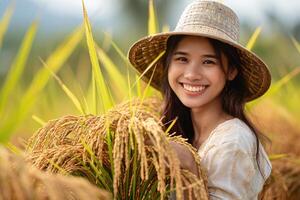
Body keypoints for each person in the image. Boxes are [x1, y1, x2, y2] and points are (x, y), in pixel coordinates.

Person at [128, 0, 272, 199]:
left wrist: (188, 164)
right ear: (168, 65)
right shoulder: (178, 130)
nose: (192, 74)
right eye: (182, 59)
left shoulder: (233, 141)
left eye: (208, 61)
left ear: (231, 71)